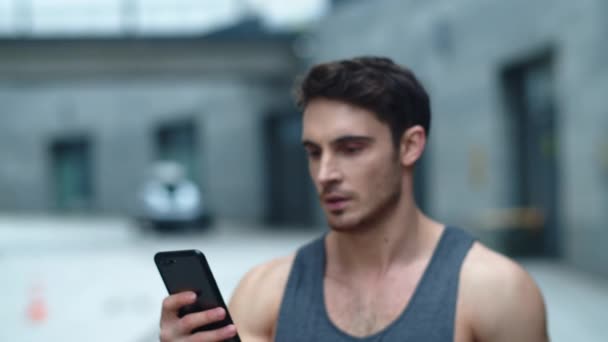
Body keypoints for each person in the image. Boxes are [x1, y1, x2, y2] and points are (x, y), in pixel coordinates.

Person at [159, 57, 549, 341]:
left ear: (410, 146)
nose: (326, 173)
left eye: (351, 148)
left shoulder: (497, 291)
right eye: (314, 152)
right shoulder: (266, 292)